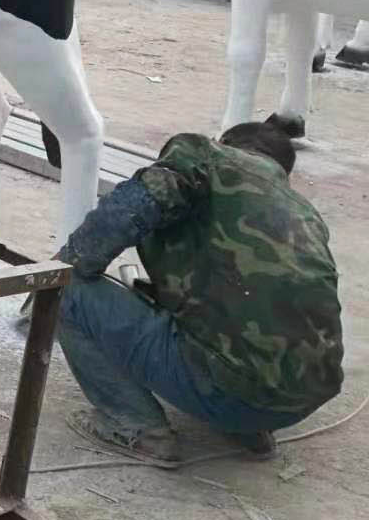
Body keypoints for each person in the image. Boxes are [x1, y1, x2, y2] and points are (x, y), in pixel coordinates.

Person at [53, 119, 342, 462]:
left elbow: (134, 205)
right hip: (301, 401)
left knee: (62, 289)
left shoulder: (208, 158)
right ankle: (248, 429)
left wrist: (65, 264)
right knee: (246, 336)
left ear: (226, 143)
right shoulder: (304, 215)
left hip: (230, 391)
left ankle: (137, 428)